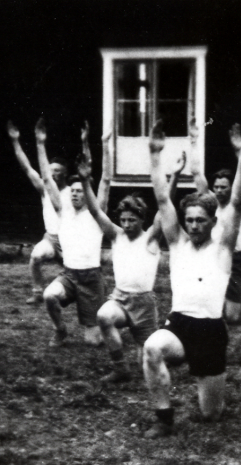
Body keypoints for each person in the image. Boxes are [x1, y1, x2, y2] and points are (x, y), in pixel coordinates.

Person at [142, 120, 241, 437]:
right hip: (180, 325)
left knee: (211, 416)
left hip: (211, 332)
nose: (193, 226)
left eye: (200, 220)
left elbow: (238, 201)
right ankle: (164, 418)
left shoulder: (223, 248)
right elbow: (162, 200)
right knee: (152, 348)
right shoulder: (177, 243)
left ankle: (213, 394)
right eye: (189, 220)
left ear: (212, 222)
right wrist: (154, 154)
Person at [75, 132, 163, 383]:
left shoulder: (151, 239)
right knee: (103, 316)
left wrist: (175, 178)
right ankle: (120, 368)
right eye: (123, 220)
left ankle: (150, 350)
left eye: (132, 220)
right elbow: (95, 210)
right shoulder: (116, 235)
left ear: (141, 219)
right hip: (120, 298)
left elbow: (164, 210)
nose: (126, 224)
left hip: (144, 304)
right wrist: (85, 181)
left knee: (148, 361)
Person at [41, 121, 111, 347]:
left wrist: (103, 145)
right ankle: (60, 330)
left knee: (93, 342)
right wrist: (40, 144)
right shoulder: (63, 211)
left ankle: (107, 309)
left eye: (80, 191)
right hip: (70, 275)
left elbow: (105, 180)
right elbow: (46, 179)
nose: (75, 195)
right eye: (73, 191)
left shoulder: (96, 214)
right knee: (49, 295)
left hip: (91, 279)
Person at [189, 120, 241, 323]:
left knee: (232, 317)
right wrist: (193, 141)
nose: (218, 190)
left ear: (231, 187)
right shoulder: (210, 202)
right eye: (216, 187)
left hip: (235, 258)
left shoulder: (238, 205)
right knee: (206, 308)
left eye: (223, 187)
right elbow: (196, 173)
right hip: (213, 256)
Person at [7, 119, 64, 304]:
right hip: (51, 238)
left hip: (70, 241)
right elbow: (26, 167)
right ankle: (38, 292)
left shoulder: (73, 192)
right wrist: (15, 140)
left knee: (77, 272)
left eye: (58, 171)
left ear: (65, 174)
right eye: (51, 170)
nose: (54, 174)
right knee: (36, 256)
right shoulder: (44, 189)